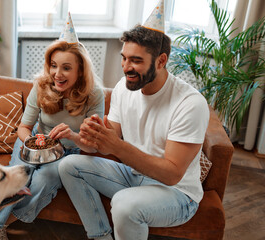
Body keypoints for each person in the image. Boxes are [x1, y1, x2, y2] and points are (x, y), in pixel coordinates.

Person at [58, 1, 210, 239]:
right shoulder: (123, 88)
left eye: (136, 61)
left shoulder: (189, 103)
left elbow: (172, 174)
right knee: (68, 165)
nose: (126, 67)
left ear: (161, 61)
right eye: (124, 58)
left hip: (176, 193)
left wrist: (116, 146)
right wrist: (82, 136)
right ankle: (100, 236)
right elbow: (102, 143)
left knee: (123, 204)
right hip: (133, 175)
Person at [0, 12, 104, 240]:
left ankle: (3, 221)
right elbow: (23, 128)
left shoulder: (94, 96)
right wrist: (36, 143)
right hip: (34, 141)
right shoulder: (42, 85)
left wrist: (73, 136)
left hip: (70, 152)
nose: (57, 74)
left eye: (66, 67)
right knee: (19, 176)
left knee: (45, 179)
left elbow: (93, 148)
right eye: (53, 65)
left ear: (80, 70)